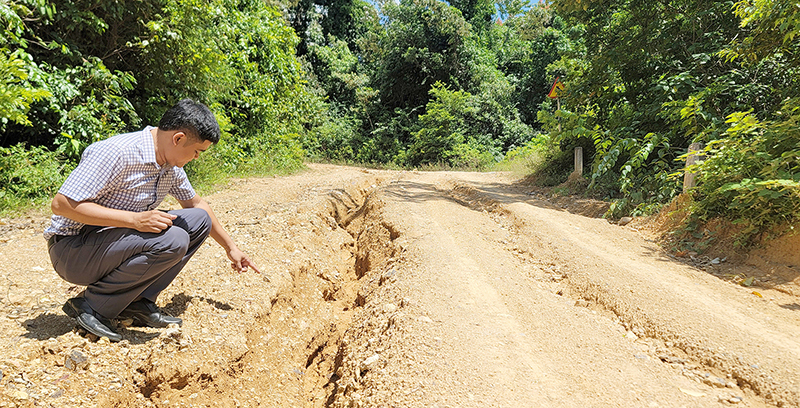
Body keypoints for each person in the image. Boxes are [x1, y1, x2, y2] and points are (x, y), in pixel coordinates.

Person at [44, 98, 259, 342]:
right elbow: (61, 204)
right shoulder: (117, 152)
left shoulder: (170, 166)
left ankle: (137, 300)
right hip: (72, 251)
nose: (197, 157)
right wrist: (134, 220)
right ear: (178, 139)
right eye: (197, 151)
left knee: (199, 220)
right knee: (174, 238)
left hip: (111, 244)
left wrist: (231, 248)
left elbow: (198, 205)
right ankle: (92, 306)